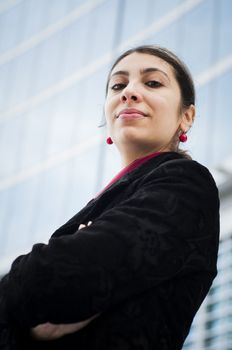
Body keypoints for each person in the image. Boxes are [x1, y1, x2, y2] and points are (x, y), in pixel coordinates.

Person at [0, 45, 220, 349]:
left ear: (186, 116)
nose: (129, 92)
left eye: (152, 82)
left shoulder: (186, 184)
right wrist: (30, 329)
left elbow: (46, 280)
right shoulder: (107, 201)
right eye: (118, 85)